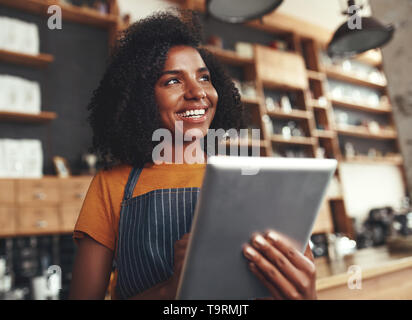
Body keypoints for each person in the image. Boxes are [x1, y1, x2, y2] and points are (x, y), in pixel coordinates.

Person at [69, 10, 317, 300]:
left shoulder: (256, 179)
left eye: (204, 77)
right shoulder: (111, 186)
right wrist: (171, 290)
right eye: (173, 80)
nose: (197, 92)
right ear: (139, 98)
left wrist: (305, 294)